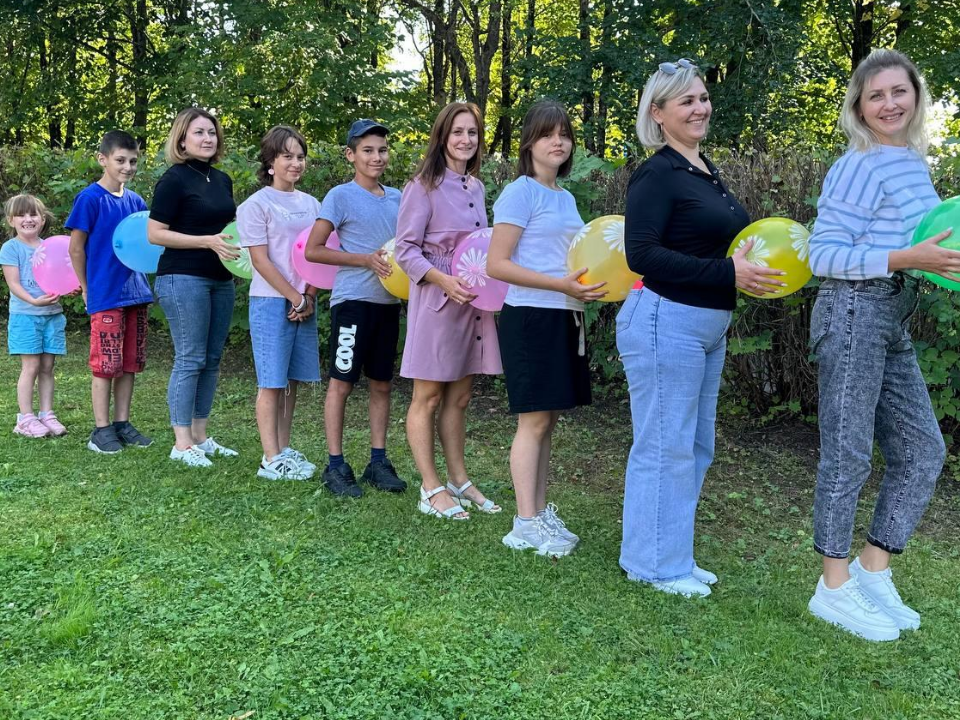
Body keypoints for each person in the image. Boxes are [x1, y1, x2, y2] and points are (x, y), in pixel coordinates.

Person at [617, 59, 784, 596]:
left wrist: (744, 270)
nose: (700, 107)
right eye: (686, 100)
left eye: (703, 97)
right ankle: (652, 565)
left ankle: (674, 556)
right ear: (658, 113)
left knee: (694, 445)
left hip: (706, 325)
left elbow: (716, 247)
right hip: (667, 318)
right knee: (665, 444)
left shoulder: (703, 168)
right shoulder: (656, 173)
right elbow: (640, 254)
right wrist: (727, 271)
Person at [806, 49, 954, 641]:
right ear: (859, 108)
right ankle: (832, 586)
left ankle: (873, 569)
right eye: (876, 96)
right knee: (847, 452)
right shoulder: (858, 164)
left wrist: (933, 264)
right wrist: (903, 258)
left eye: (900, 91)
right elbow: (822, 254)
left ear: (916, 95)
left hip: (891, 312)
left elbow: (934, 244)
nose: (890, 103)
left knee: (923, 450)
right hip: (851, 309)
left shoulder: (912, 162)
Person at [487, 100, 604, 555]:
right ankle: (524, 523)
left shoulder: (565, 196)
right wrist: (559, 285)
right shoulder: (520, 192)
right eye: (547, 134)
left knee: (547, 420)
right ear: (529, 143)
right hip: (531, 316)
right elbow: (497, 265)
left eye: (564, 134)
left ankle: (537, 512)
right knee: (532, 420)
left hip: (562, 314)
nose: (558, 142)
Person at [395, 101, 503, 520]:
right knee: (428, 395)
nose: (465, 140)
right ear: (442, 137)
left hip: (474, 302)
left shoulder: (475, 187)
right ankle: (430, 485)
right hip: (439, 299)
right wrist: (443, 281)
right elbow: (405, 249)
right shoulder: (421, 186)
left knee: (460, 396)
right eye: (457, 132)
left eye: (472, 133)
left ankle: (459, 478)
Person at [305, 119, 407, 497]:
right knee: (342, 383)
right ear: (351, 155)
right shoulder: (340, 196)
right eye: (367, 150)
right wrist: (364, 260)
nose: (376, 156)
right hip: (353, 304)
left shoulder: (399, 197)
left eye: (381, 149)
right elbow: (315, 249)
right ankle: (335, 465)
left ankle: (378, 462)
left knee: (382, 383)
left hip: (387, 304)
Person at [148, 108, 240, 468]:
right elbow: (155, 233)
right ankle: (182, 442)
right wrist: (207, 242)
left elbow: (229, 229)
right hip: (182, 278)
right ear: (182, 139)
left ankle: (201, 436)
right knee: (190, 358)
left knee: (212, 360)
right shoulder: (173, 180)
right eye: (199, 132)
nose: (207, 138)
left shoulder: (222, 179)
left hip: (221, 280)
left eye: (212, 132)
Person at [236, 125, 321, 481]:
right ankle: (270, 458)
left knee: (293, 380)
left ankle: (284, 449)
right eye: (287, 156)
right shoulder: (255, 205)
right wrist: (295, 296)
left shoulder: (312, 204)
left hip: (305, 303)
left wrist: (310, 297)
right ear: (270, 162)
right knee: (271, 382)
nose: (295, 163)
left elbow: (317, 257)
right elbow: (261, 260)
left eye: (300, 156)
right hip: (272, 302)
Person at [67, 130, 153, 454]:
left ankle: (122, 423)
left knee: (130, 363)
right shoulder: (90, 199)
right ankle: (100, 430)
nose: (128, 167)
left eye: (133, 161)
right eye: (120, 160)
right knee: (106, 364)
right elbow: (76, 249)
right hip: (105, 294)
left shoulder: (136, 202)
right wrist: (87, 288)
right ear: (102, 159)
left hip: (136, 294)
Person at [1, 194, 67, 438]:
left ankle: (46, 414)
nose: (28, 219)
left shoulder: (50, 247)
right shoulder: (11, 248)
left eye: (33, 214)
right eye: (21, 214)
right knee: (31, 367)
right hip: (26, 316)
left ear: (42, 219)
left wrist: (66, 288)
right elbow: (14, 284)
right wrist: (33, 300)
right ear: (11, 220)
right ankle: (25, 418)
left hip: (52, 315)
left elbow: (61, 276)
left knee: (48, 367)